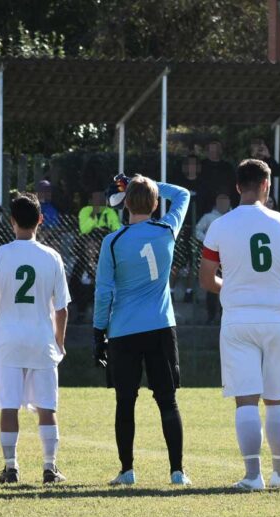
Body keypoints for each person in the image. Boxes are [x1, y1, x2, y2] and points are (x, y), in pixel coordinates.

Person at [199, 160, 280, 490]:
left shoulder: (220, 226)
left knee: (246, 399)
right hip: (276, 318)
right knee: (277, 399)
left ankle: (252, 476)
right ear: (267, 186)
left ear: (237, 186)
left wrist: (231, 287)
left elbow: (205, 278)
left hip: (238, 320)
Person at [93, 176, 192, 486]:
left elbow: (103, 292)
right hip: (161, 328)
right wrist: (150, 181)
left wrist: (99, 333)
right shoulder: (167, 231)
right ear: (154, 204)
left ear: (125, 204)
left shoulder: (113, 241)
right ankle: (177, 472)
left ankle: (127, 471)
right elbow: (182, 194)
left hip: (123, 332)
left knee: (125, 401)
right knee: (168, 401)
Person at [0, 193, 70, 484]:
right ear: (40, 219)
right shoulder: (52, 256)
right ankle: (50, 467)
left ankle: (11, 467)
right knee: (46, 407)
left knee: (8, 404)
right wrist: (60, 341)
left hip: (9, 341)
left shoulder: (0, 254)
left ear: (12, 221)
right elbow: (62, 308)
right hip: (41, 340)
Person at [195, 194, 231, 323]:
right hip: (213, 257)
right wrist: (209, 242)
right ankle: (211, 316)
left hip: (230, 257)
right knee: (212, 287)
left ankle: (224, 315)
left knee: (228, 285)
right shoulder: (208, 218)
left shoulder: (233, 217)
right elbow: (197, 230)